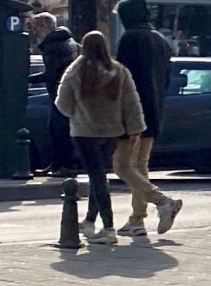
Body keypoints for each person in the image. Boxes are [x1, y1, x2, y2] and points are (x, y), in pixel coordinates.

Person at [55, 29, 145, 243]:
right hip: (112, 131)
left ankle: (108, 227)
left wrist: (77, 113)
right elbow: (131, 103)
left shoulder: (75, 71)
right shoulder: (118, 71)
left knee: (96, 177)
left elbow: (62, 104)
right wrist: (134, 128)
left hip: (84, 131)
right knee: (100, 175)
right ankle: (89, 221)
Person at [111, 0, 180, 238]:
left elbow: (123, 79)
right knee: (139, 165)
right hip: (155, 110)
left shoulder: (131, 38)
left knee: (121, 166)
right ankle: (137, 219)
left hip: (133, 113)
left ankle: (162, 201)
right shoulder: (160, 40)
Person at [29, 12, 77, 175]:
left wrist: (27, 79)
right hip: (65, 92)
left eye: (37, 27)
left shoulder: (53, 46)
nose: (35, 31)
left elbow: (52, 73)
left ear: (47, 26)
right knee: (56, 130)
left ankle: (64, 166)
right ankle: (57, 164)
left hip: (60, 93)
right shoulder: (66, 40)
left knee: (59, 131)